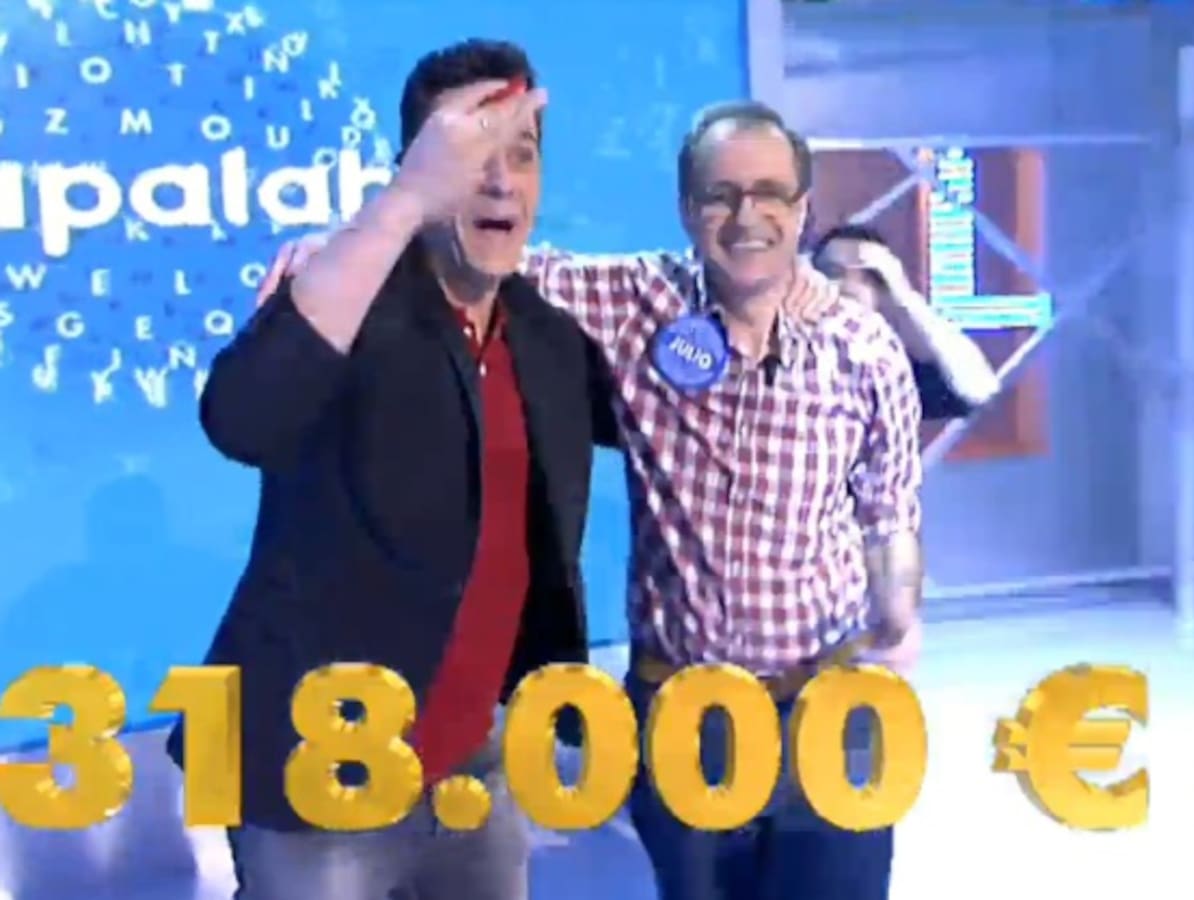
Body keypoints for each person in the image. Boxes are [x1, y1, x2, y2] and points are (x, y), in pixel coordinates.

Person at [260, 100, 923, 900]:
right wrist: (341, 250)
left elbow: (888, 509)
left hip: (831, 703)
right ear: (688, 210)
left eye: (769, 194)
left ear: (802, 208)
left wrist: (900, 613)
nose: (747, 216)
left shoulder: (863, 347)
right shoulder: (636, 301)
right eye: (721, 196)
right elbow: (487, 261)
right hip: (684, 713)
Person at [166, 39, 611, 900]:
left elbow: (687, 415)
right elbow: (241, 419)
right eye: (470, 155)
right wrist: (399, 206)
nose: (500, 181)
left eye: (522, 154)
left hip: (475, 765)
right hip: (312, 775)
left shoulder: (550, 339)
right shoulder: (344, 300)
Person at [810, 223, 1001, 419]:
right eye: (832, 272)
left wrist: (903, 295)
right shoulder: (795, 350)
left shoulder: (890, 366)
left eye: (868, 276)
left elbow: (978, 389)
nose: (847, 285)